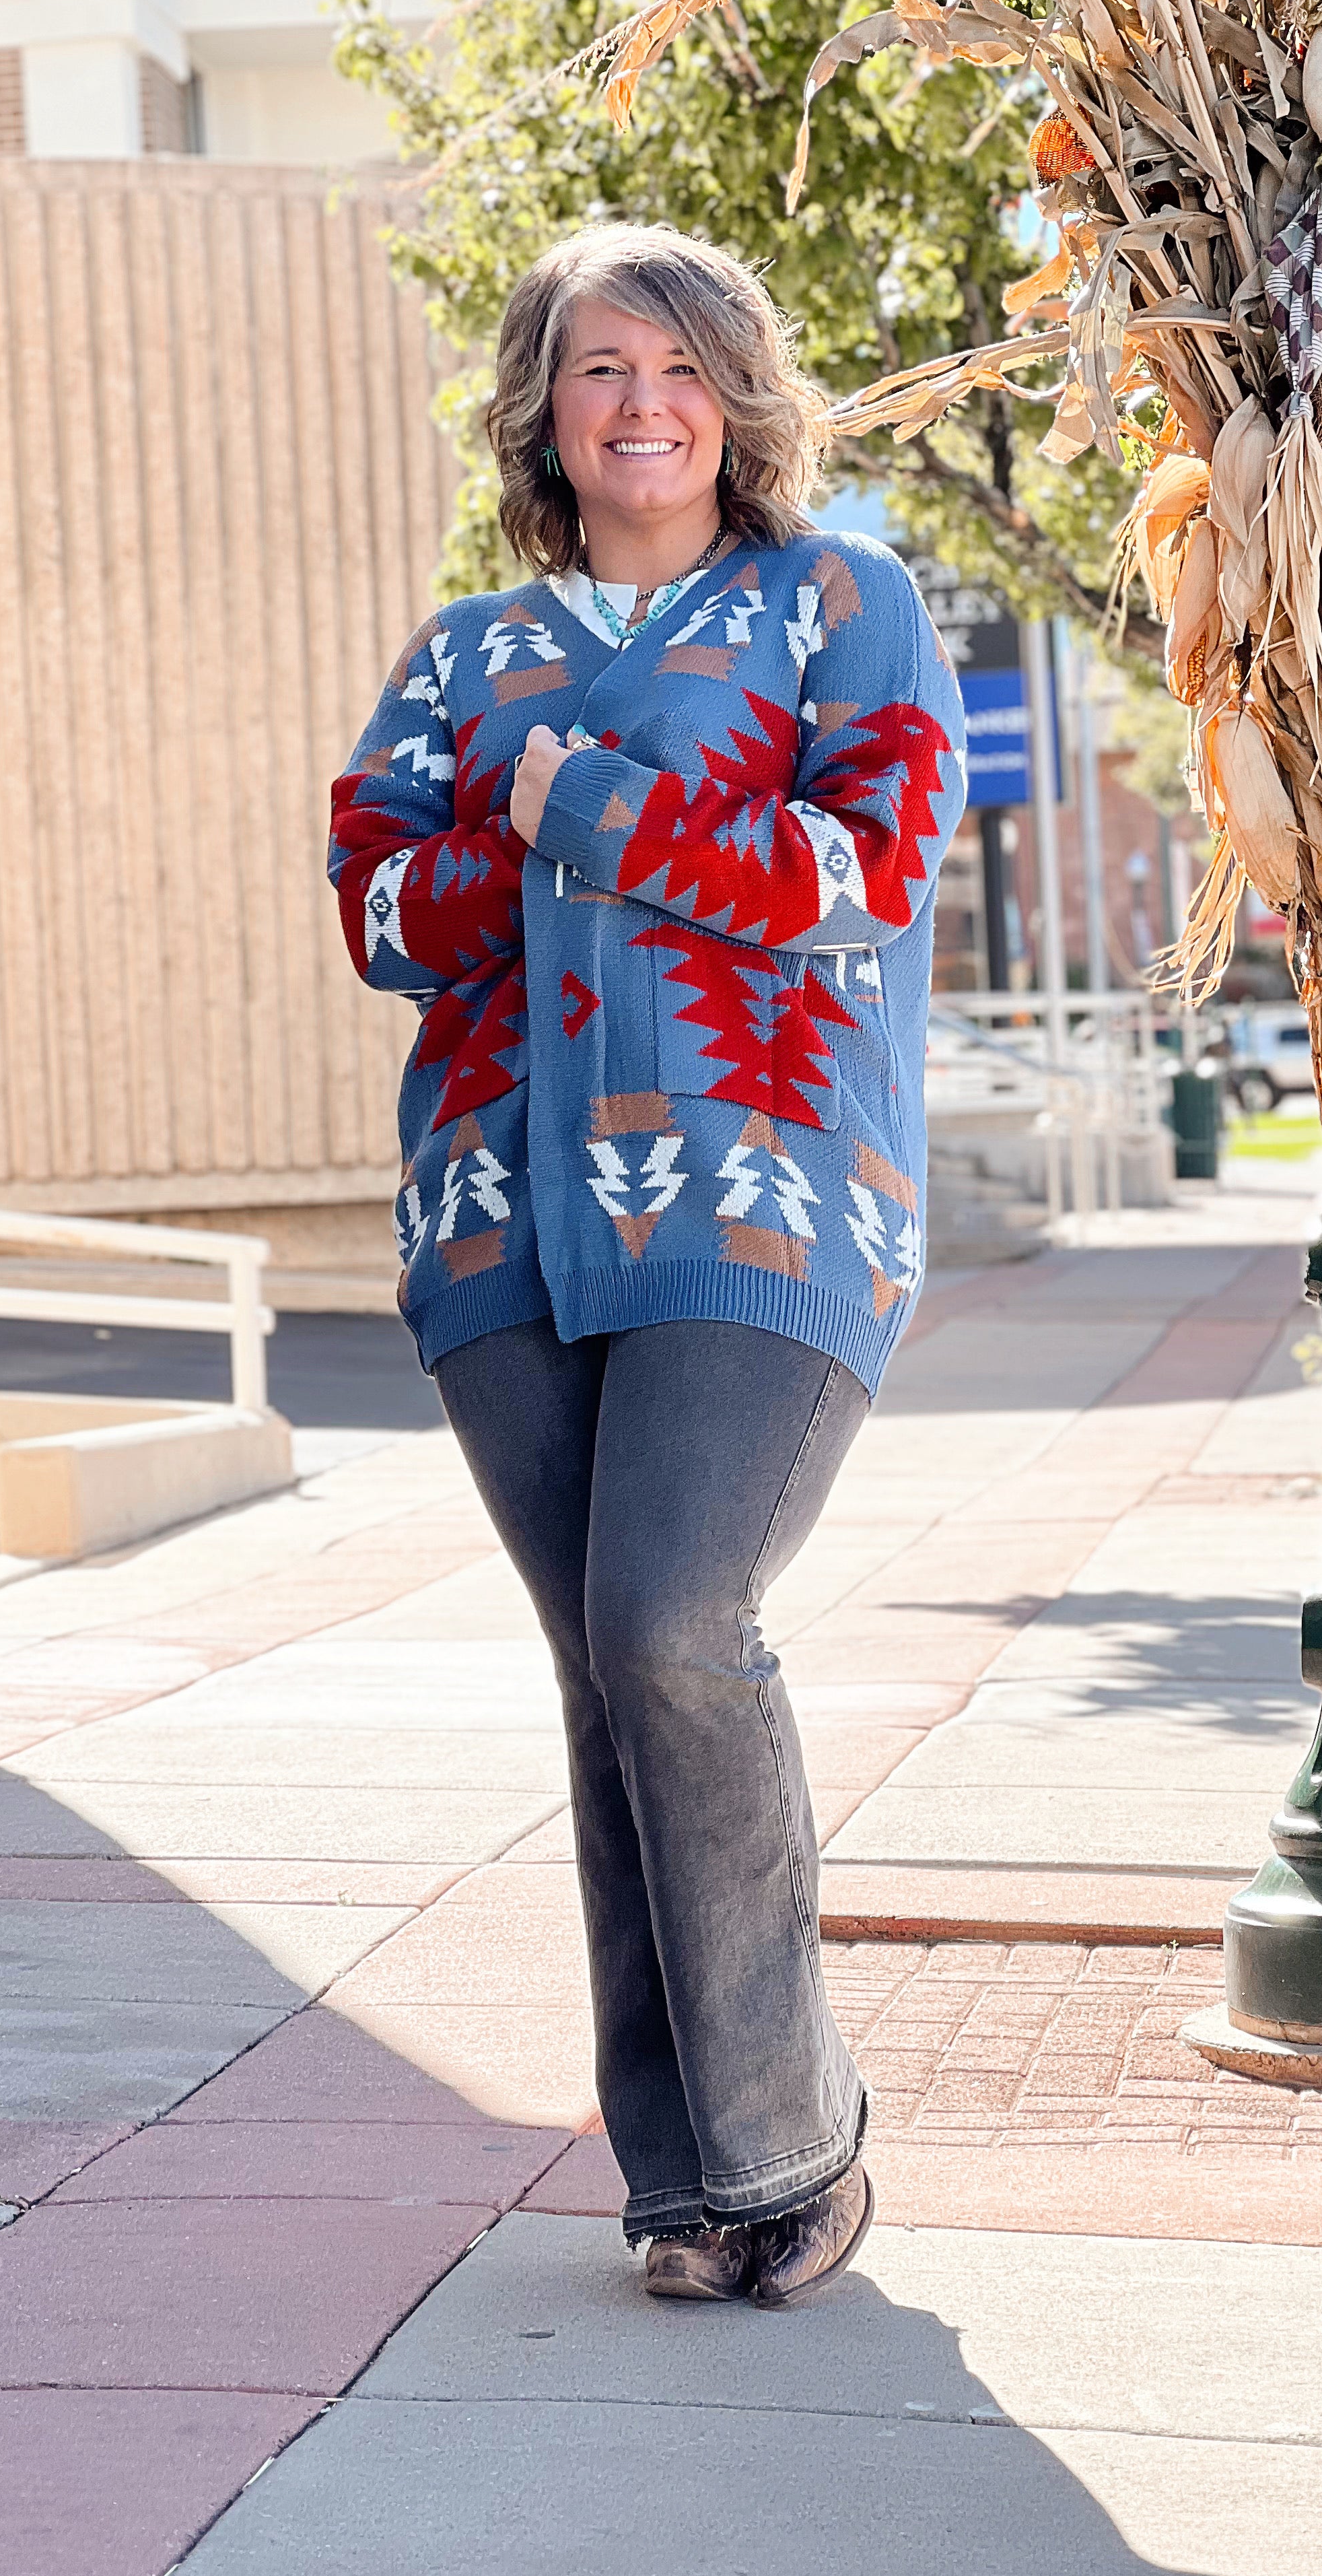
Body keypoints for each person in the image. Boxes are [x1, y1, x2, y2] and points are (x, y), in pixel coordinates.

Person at [329, 224, 966, 2306]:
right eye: (600, 367)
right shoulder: (454, 655)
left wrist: (573, 807)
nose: (642, 405)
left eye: (680, 367)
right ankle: (683, 2179)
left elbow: (856, 877)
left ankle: (796, 2134)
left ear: (735, 399)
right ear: (545, 409)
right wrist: (550, 840)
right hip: (500, 1216)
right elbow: (383, 916)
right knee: (604, 1679)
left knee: (680, 1625)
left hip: (761, 1195)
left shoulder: (840, 604)